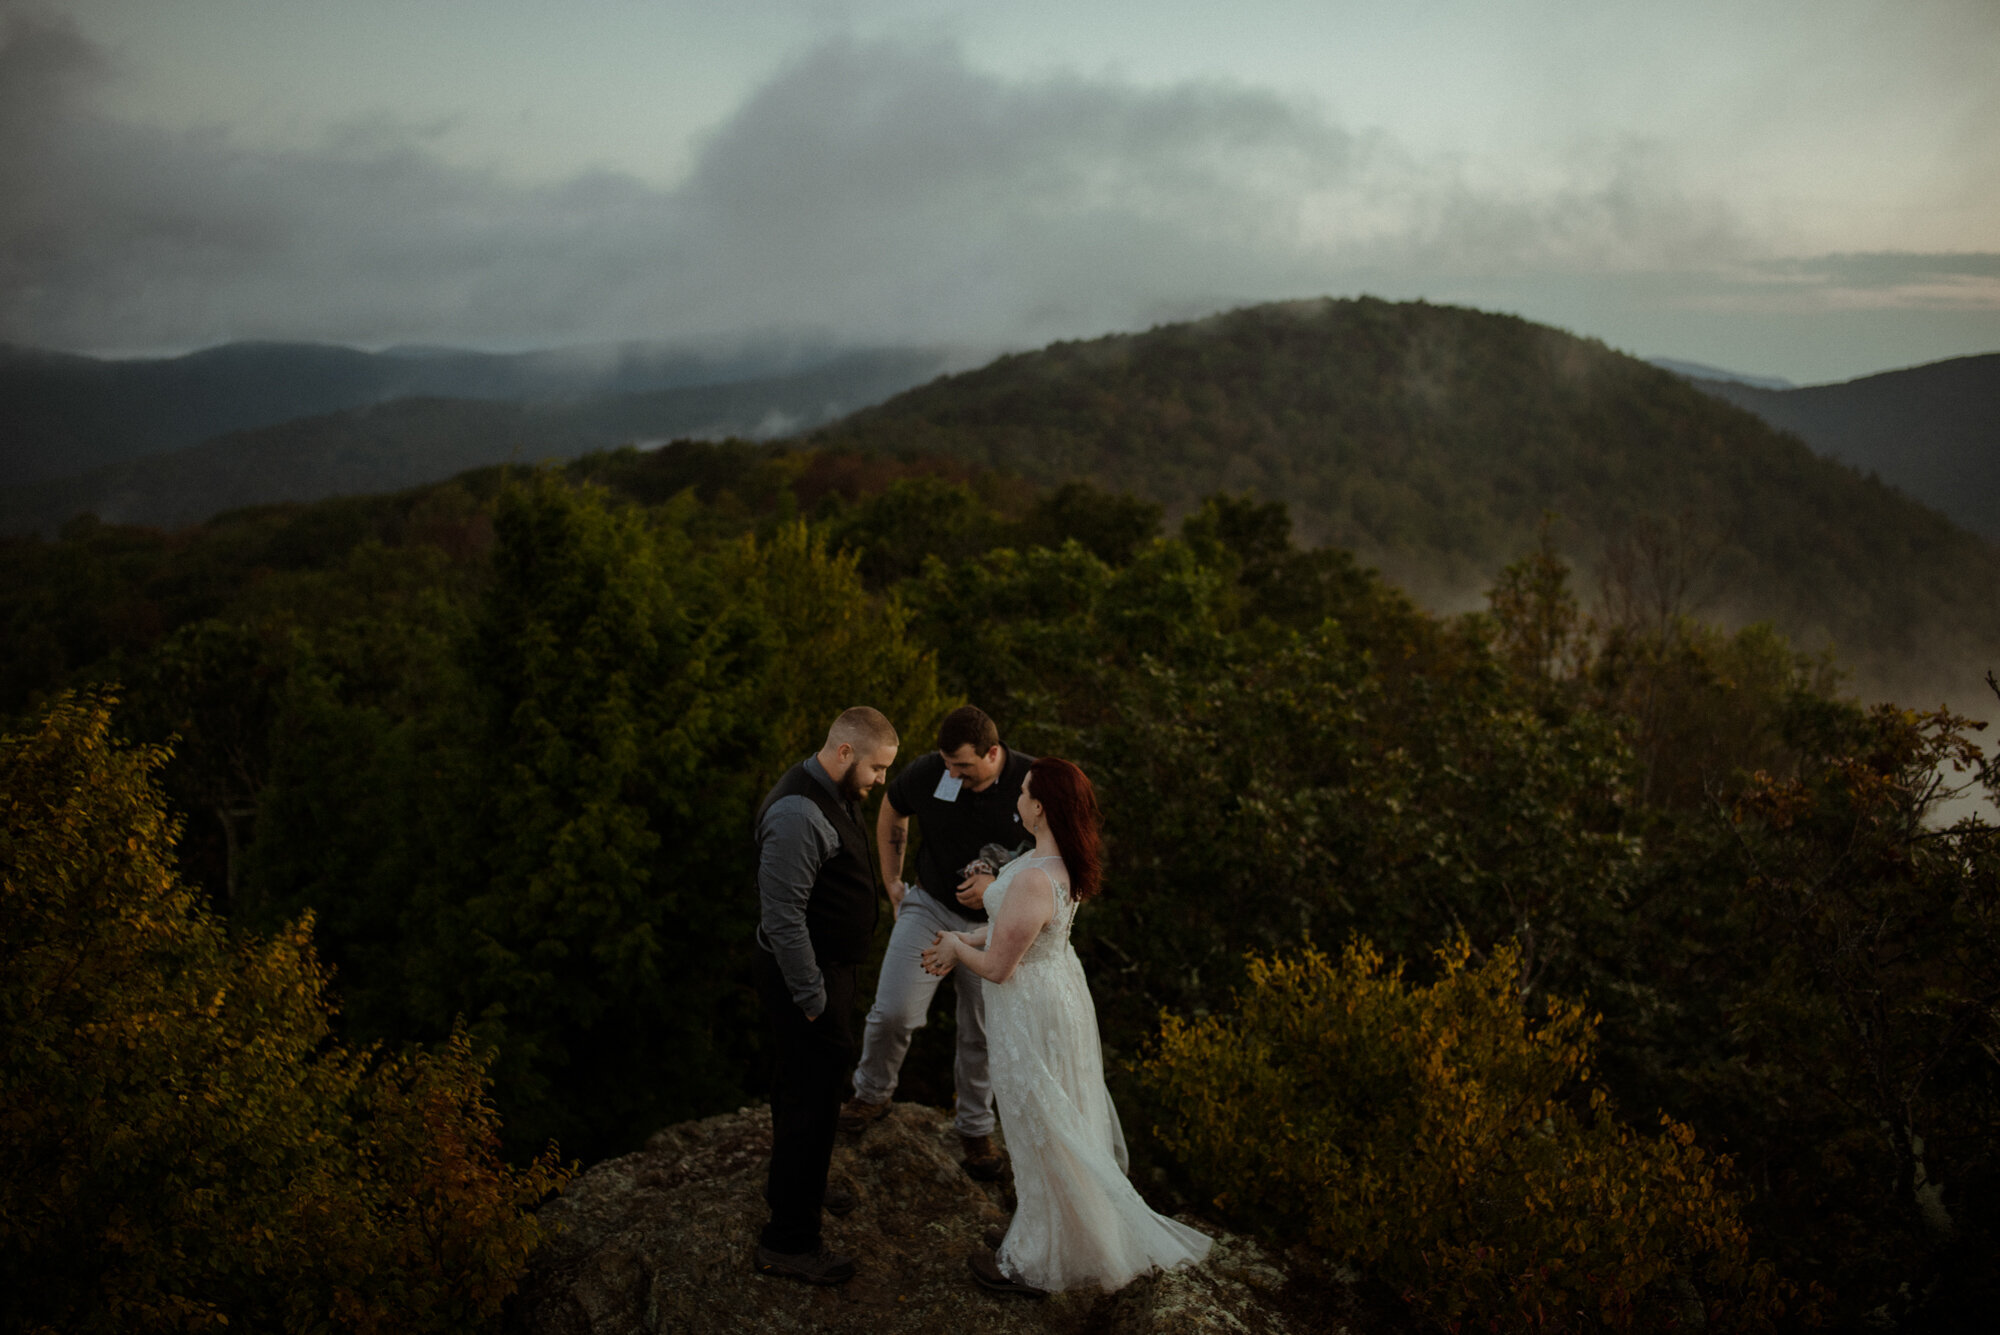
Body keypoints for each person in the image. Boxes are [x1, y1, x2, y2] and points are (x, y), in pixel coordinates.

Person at [920, 757, 1211, 1296]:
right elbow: (1009, 931)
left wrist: (957, 946)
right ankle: (1049, 1231)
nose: (1018, 796)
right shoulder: (1051, 863)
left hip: (1030, 1007)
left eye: (1025, 790)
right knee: (1047, 1121)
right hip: (1053, 995)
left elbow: (1000, 967)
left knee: (1041, 1125)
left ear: (1041, 806)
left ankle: (1036, 1263)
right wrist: (964, 939)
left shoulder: (1034, 876)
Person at [840, 705, 1034, 1182]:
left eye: (963, 766)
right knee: (892, 1012)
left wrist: (998, 887)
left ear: (993, 753)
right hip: (929, 906)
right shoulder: (933, 771)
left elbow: (1053, 853)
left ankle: (974, 1128)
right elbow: (894, 807)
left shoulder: (1030, 780)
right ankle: (871, 1094)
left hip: (996, 925)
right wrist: (891, 879)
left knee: (981, 1032)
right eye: (948, 763)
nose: (953, 773)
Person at [750, 706, 900, 1286]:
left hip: (825, 972)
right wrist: (814, 1000)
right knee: (811, 1099)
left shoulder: (834, 794)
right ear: (843, 753)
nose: (880, 780)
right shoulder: (796, 812)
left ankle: (797, 1188)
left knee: (804, 1091)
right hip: (803, 977)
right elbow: (783, 920)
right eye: (877, 768)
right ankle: (788, 1240)